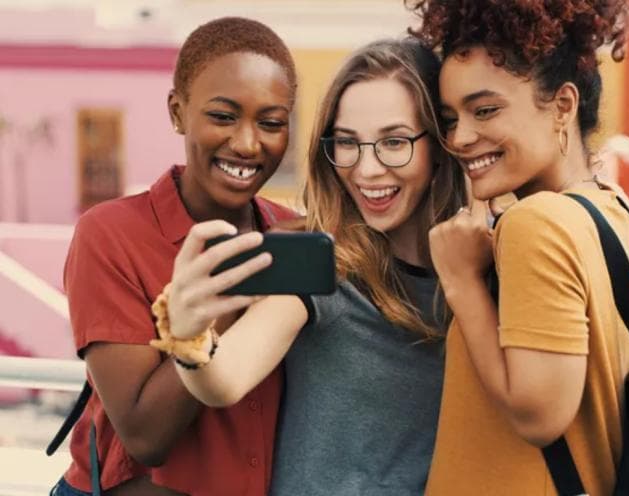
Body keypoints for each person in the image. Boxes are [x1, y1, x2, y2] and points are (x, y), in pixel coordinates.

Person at [162, 38, 467, 495]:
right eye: (347, 143)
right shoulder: (324, 267)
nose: (367, 169)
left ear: (439, 145)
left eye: (394, 142)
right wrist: (187, 334)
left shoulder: (477, 274)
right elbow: (224, 381)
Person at [52, 17, 299, 496]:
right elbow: (145, 438)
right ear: (178, 112)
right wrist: (234, 294)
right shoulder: (109, 235)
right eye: (223, 116)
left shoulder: (293, 236)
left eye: (271, 123)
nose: (248, 143)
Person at [407, 1, 629, 494]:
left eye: (485, 110)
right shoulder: (611, 209)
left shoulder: (537, 223)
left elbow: (539, 416)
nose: (460, 137)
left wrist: (463, 280)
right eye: (450, 118)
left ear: (563, 105)